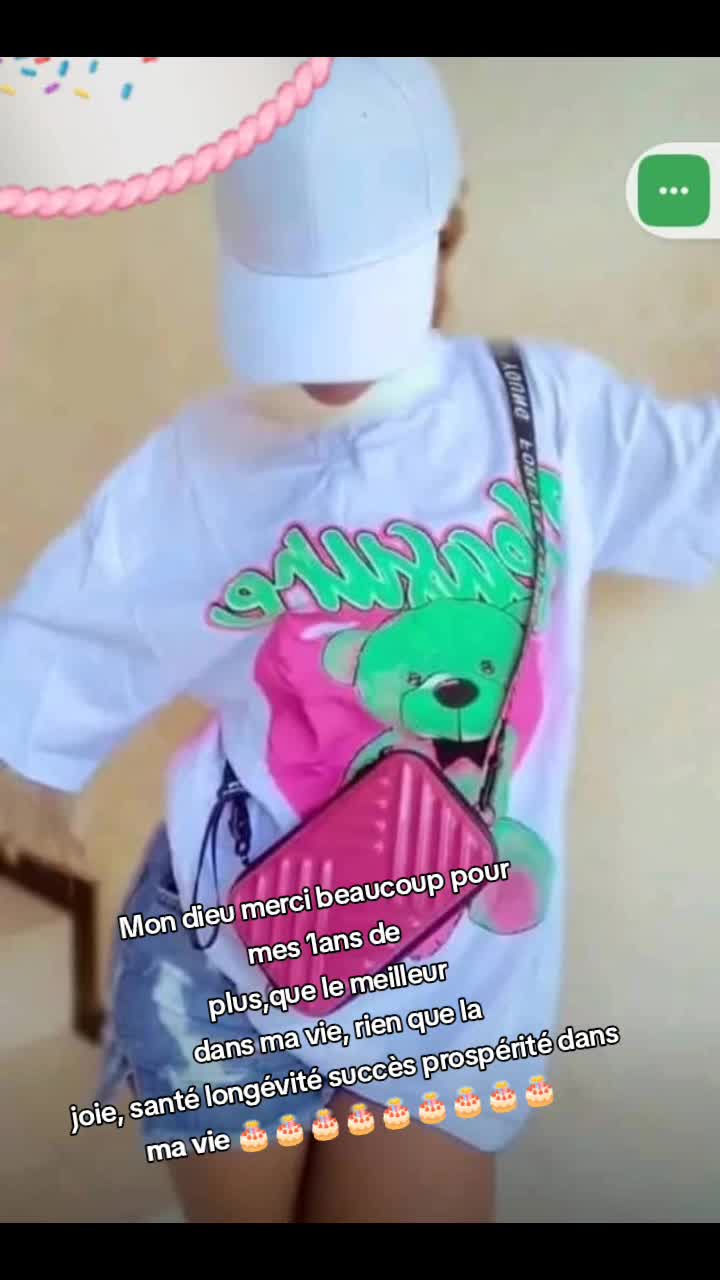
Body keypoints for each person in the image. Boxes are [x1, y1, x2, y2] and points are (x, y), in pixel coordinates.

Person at [1, 57, 719, 1225]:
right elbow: (67, 633)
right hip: (226, 962)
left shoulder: (551, 416)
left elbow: (701, 486)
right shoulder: (206, 457)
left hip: (448, 996)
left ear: (449, 231)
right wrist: (32, 774)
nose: (328, 358)